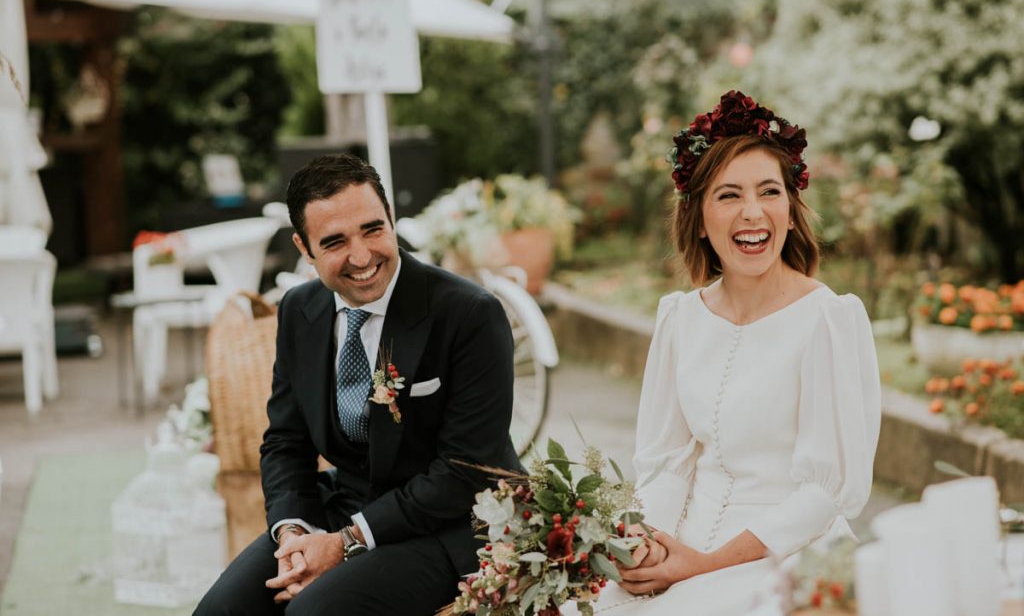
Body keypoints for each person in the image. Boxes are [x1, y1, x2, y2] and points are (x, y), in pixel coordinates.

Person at [566, 91, 881, 615]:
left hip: (786, 552)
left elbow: (824, 495)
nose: (752, 212)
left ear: (790, 209)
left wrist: (703, 566)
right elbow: (667, 467)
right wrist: (646, 543)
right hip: (684, 542)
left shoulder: (829, 319)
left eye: (769, 192)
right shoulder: (679, 318)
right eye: (729, 195)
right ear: (698, 217)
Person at [195, 153, 521, 615]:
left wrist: (345, 543)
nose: (362, 256)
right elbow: (286, 441)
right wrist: (294, 535)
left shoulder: (469, 314)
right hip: (341, 506)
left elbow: (465, 471)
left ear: (392, 218)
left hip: (452, 525)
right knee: (221, 611)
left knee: (311, 613)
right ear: (304, 248)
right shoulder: (299, 310)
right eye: (335, 242)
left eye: (373, 229)